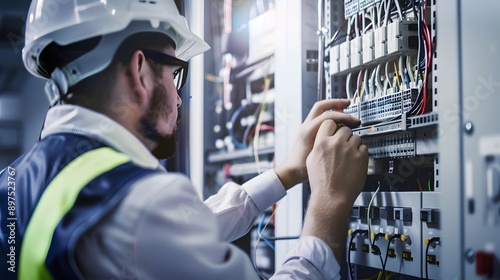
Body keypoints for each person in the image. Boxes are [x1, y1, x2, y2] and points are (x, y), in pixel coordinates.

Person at [0, 0, 368, 279]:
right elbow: (153, 226)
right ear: (140, 71)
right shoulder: (139, 203)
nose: (178, 98)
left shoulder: (13, 183)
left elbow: (178, 229)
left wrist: (285, 173)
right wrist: (326, 207)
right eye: (175, 73)